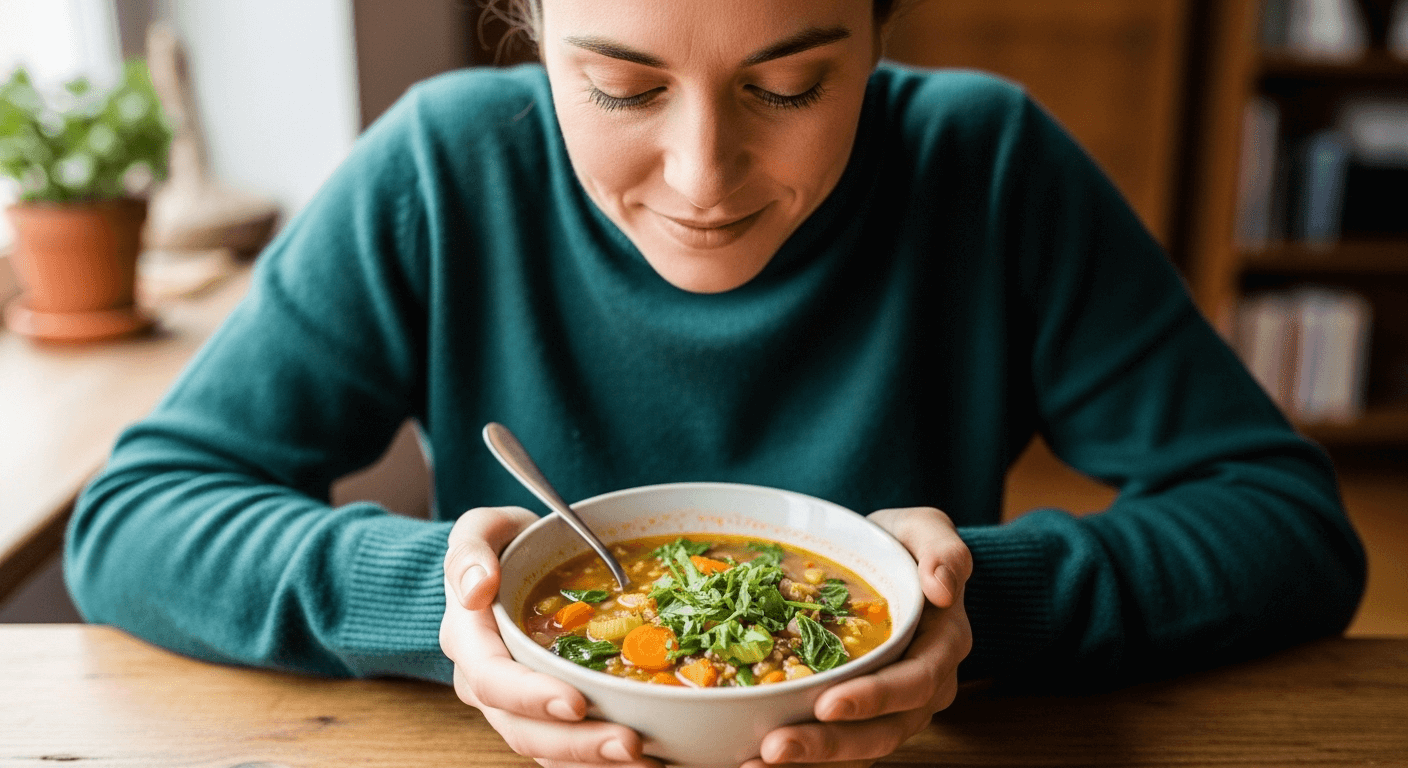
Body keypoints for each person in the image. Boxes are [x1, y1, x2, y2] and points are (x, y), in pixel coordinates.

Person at [66, 0, 1366, 766]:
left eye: (791, 85)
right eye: (621, 87)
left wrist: (970, 608)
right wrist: (449, 605)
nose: (702, 177)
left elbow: (1287, 525)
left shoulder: (987, 166)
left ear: (878, 30)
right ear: (533, 33)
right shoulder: (441, 172)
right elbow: (136, 520)